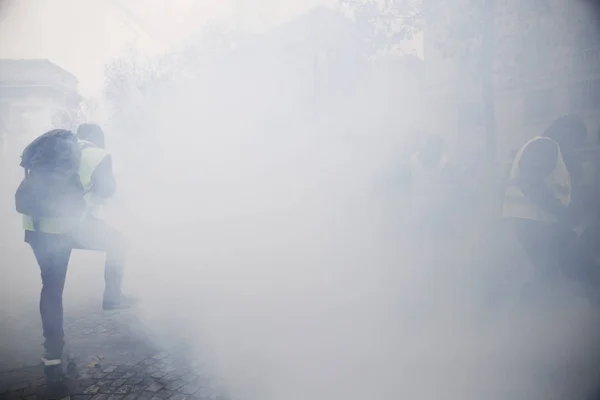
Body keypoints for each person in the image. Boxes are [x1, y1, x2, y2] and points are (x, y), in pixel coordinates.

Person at [20, 124, 136, 375]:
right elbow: (108, 191)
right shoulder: (98, 155)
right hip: (68, 225)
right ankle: (112, 298)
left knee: (51, 286)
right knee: (119, 243)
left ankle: (53, 352)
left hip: (34, 223)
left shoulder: (50, 148)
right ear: (98, 140)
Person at [503, 114, 589, 284]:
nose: (574, 149)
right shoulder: (545, 145)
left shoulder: (544, 147)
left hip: (533, 223)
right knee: (550, 276)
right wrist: (560, 212)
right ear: (568, 134)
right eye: (576, 144)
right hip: (535, 223)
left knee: (549, 274)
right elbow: (530, 182)